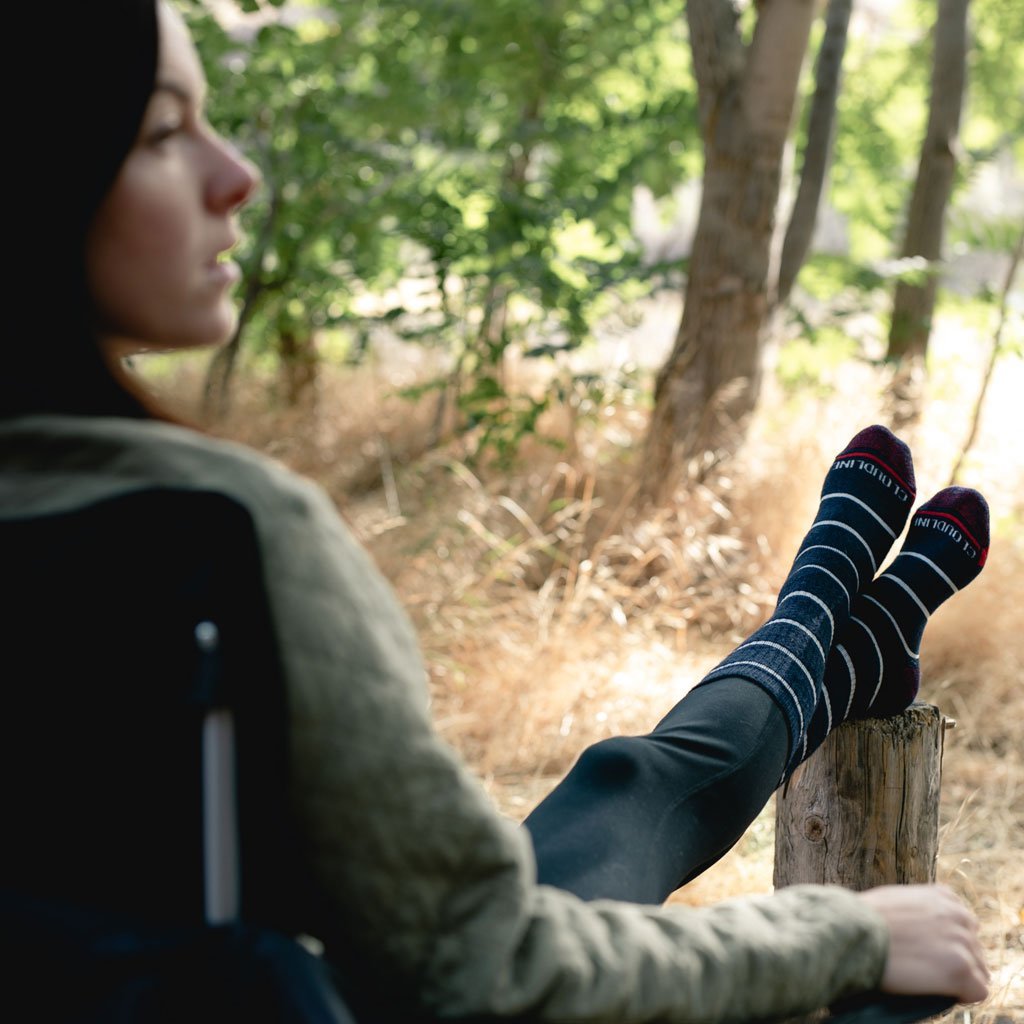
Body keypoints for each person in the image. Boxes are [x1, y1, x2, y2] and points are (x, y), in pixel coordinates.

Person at [0, 2, 991, 1021]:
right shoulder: (213, 532)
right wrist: (845, 932)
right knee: (700, 842)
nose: (234, 174)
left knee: (616, 790)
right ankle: (819, 631)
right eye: (164, 130)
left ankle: (832, 643)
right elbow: (481, 968)